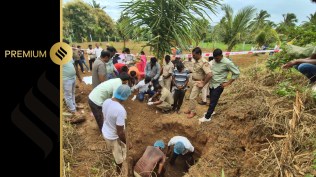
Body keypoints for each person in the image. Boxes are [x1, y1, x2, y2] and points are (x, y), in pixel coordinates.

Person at [199, 48, 240, 123]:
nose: (216, 60)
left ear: (221, 55)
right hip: (212, 84)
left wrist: (228, 83)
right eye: (214, 58)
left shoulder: (227, 63)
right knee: (212, 99)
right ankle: (212, 112)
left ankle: (207, 117)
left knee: (212, 102)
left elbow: (236, 73)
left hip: (218, 85)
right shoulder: (214, 60)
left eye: (217, 58)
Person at [102, 85, 131, 174]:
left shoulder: (106, 101)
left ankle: (113, 156)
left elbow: (104, 117)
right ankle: (118, 172)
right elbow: (120, 132)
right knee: (119, 158)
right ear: (125, 97)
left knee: (111, 149)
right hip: (113, 137)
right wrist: (127, 143)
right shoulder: (120, 110)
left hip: (105, 131)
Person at [184, 47, 212, 118]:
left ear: (199, 54)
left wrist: (203, 83)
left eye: (194, 55)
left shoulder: (204, 62)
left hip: (198, 82)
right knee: (190, 96)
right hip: (192, 80)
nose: (193, 56)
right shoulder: (196, 60)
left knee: (192, 97)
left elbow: (209, 74)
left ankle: (193, 112)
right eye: (192, 55)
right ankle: (190, 109)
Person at [63, 40, 86, 124]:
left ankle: (74, 106)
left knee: (72, 93)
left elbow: (74, 66)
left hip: (72, 77)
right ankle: (73, 111)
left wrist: (79, 77)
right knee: (68, 95)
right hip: (65, 78)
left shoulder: (68, 55)